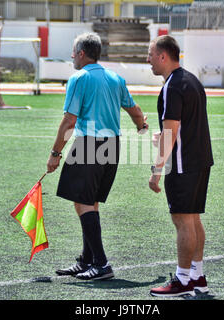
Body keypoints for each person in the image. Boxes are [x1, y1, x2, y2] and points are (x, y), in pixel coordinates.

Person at [46, 32, 148, 281]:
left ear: (81, 53)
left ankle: (101, 263)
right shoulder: (115, 78)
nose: (72, 56)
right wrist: (141, 126)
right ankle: (87, 260)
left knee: (82, 203)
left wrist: (55, 153)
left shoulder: (79, 78)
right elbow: (134, 109)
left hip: (89, 145)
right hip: (112, 146)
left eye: (73, 51)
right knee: (90, 202)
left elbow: (69, 120)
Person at [146, 35, 214, 297]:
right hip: (200, 161)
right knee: (193, 218)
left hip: (184, 164)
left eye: (150, 54)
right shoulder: (192, 80)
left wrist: (156, 171)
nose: (148, 59)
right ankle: (197, 276)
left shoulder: (173, 86)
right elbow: (180, 127)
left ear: (163, 56)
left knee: (183, 220)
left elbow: (171, 132)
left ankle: (183, 280)